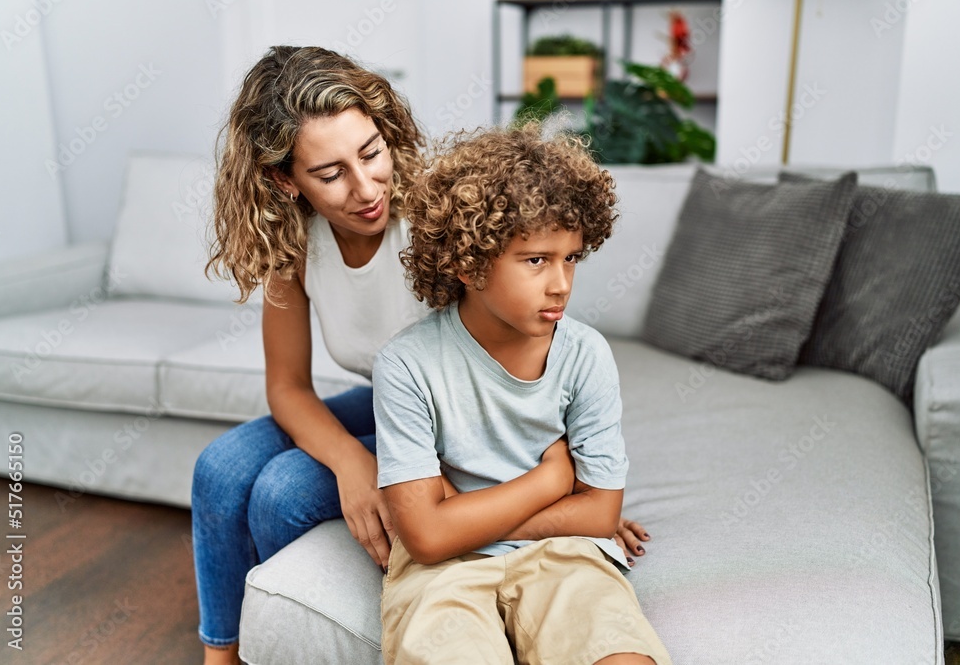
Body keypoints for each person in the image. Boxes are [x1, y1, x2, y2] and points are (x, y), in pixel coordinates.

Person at [192, 47, 651, 665]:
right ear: (285, 180)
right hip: (397, 401)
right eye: (329, 174)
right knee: (219, 470)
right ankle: (224, 654)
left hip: (447, 418)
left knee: (281, 493)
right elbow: (289, 388)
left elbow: (516, 358)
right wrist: (354, 466)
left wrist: (577, 508)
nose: (365, 188)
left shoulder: (440, 212)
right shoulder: (293, 242)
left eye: (371, 152)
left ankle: (305, 633)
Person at [374, 125, 671, 664]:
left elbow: (601, 515)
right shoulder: (405, 366)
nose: (561, 283)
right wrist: (552, 481)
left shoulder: (586, 355)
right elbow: (424, 540)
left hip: (563, 556)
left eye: (571, 257)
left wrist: (458, 519)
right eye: (536, 260)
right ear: (468, 263)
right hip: (443, 572)